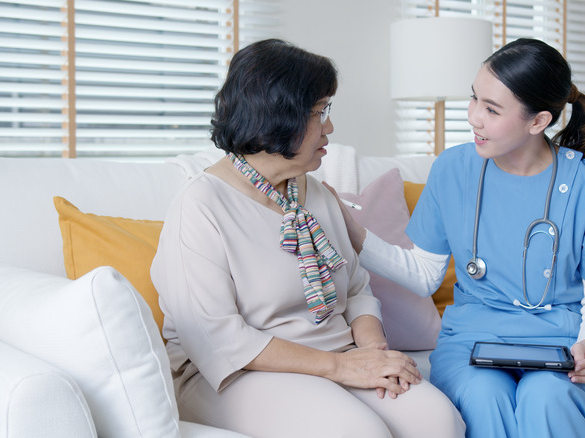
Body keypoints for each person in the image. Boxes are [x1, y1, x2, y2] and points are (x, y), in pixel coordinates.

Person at [150, 39, 465, 438]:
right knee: (356, 431)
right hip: (233, 372)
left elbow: (357, 290)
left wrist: (371, 351)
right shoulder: (199, 206)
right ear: (277, 117)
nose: (329, 126)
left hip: (337, 354)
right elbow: (217, 339)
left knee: (438, 419)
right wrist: (342, 367)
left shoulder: (312, 191)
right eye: (319, 112)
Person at [330, 38, 585, 438]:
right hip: (474, 341)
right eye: (474, 99)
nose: (474, 117)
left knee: (547, 396)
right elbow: (425, 275)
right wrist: (355, 234)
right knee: (482, 395)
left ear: (538, 122)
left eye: (491, 110)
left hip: (564, 343)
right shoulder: (453, 169)